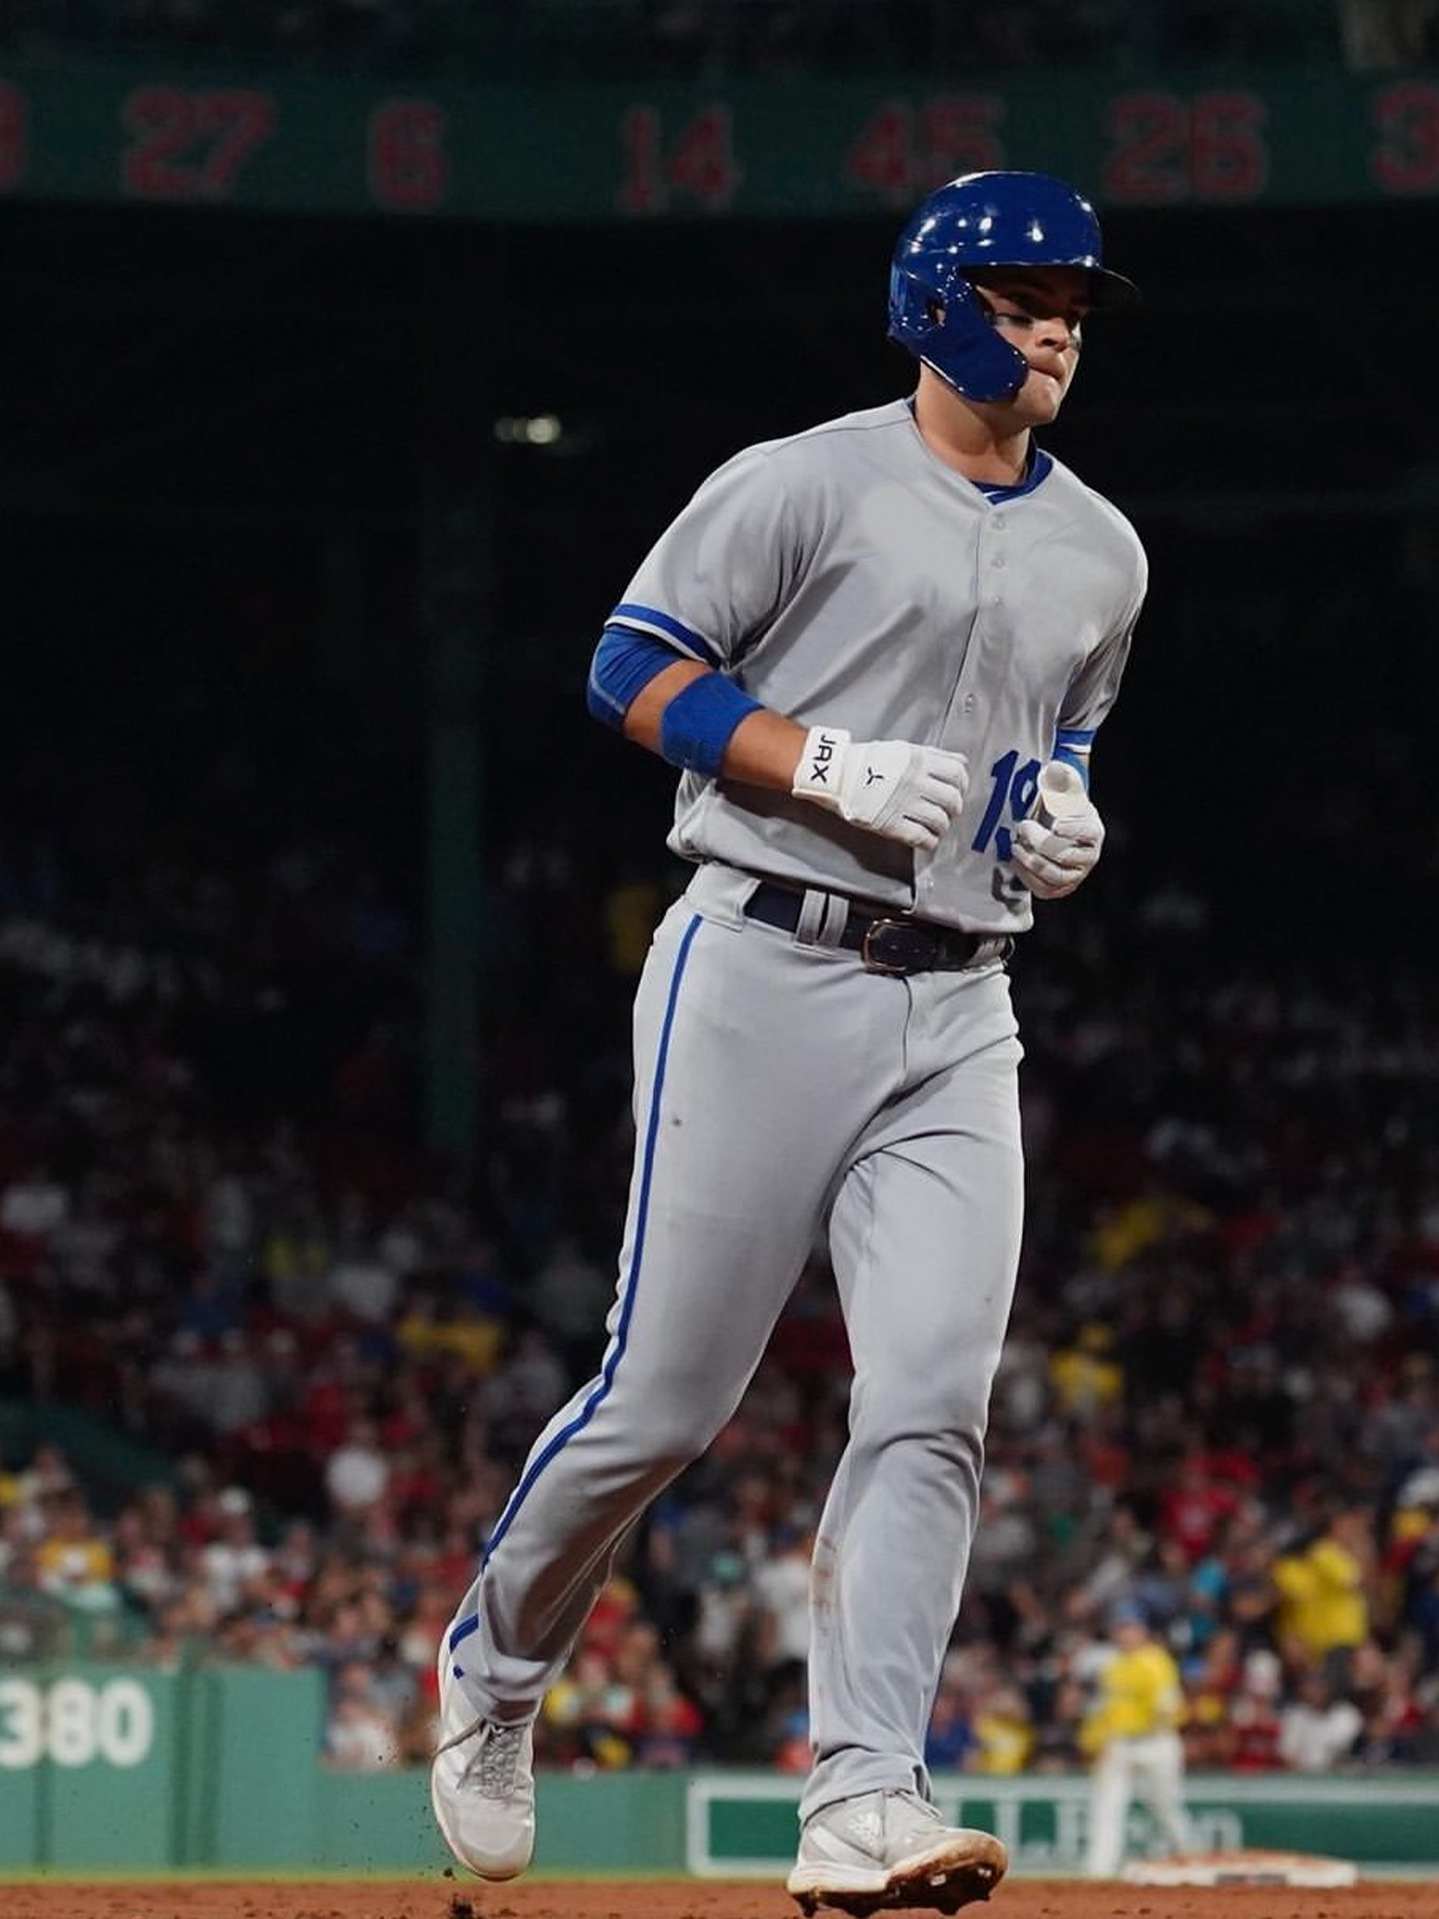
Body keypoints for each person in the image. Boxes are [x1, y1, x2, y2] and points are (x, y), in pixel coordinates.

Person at [428, 169, 1146, 1916]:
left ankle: (862, 1799)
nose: (1055, 319)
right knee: (667, 1399)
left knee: (930, 1402)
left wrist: (1066, 818)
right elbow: (629, 667)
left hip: (963, 999)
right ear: (935, 301)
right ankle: (499, 1669)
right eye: (1022, 289)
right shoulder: (801, 480)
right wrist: (807, 758)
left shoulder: (1105, 549)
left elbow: (1062, 742)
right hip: (761, 966)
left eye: (1073, 296)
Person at [1079, 1602, 1195, 1879]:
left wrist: (1161, 1716)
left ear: (1143, 1630)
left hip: (1156, 1743)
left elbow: (1171, 1708)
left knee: (1166, 1807)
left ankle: (1188, 1859)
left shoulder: (1156, 1662)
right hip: (1121, 1744)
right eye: (1120, 1628)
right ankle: (1098, 1872)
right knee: (1107, 1807)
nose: (1124, 1634)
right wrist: (1093, 1741)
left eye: (1130, 1627)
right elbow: (1105, 1711)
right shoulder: (1113, 1666)